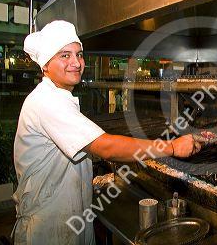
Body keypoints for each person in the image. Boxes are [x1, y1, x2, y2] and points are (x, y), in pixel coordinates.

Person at [12, 20, 199, 244]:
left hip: (69, 216)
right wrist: (170, 146)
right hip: (48, 227)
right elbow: (106, 147)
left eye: (79, 55)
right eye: (64, 56)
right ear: (45, 65)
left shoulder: (58, 97)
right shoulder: (47, 102)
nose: (76, 63)